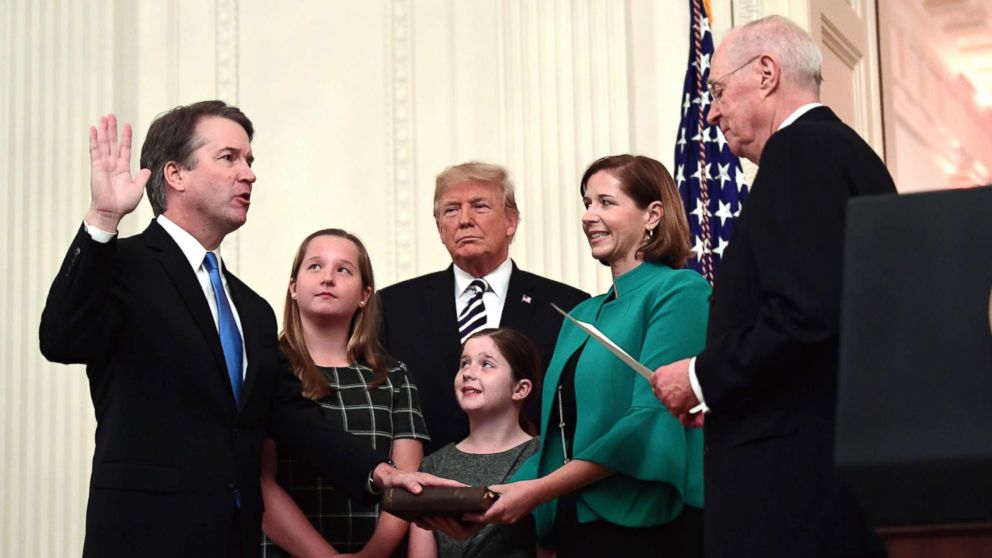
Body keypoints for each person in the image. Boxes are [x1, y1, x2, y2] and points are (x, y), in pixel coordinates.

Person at [38, 102, 453, 557]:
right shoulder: (121, 265)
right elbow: (61, 338)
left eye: (250, 161)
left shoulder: (250, 308)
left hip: (236, 542)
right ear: (176, 175)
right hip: (144, 537)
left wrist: (379, 473)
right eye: (229, 158)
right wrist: (102, 220)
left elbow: (292, 416)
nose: (249, 174)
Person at [650, 15, 896, 557]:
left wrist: (700, 376)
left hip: (791, 491)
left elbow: (807, 315)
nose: (711, 112)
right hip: (832, 467)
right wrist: (733, 386)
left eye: (716, 91)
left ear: (766, 73)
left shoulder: (799, 153)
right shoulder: (843, 151)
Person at [465, 155, 709, 558]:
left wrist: (537, 491)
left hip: (649, 526)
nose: (588, 216)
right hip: (573, 525)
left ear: (653, 214)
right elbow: (559, 439)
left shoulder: (681, 291)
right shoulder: (579, 314)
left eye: (605, 202)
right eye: (586, 203)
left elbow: (649, 421)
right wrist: (480, 501)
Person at [378, 162, 588, 453]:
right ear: (440, 228)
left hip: (535, 482)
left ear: (510, 222)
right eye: (451, 210)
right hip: (426, 485)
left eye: (479, 206)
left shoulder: (566, 306)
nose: (464, 220)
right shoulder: (392, 307)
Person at [260, 229, 430, 556]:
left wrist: (372, 555)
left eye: (343, 270)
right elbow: (260, 484)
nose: (327, 278)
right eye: (315, 266)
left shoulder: (394, 377)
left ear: (365, 295)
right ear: (293, 287)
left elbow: (406, 484)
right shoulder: (265, 369)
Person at [408, 328, 542, 558]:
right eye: (464, 363)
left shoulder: (541, 456)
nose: (468, 373)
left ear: (520, 389)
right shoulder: (433, 466)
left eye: (486, 364)